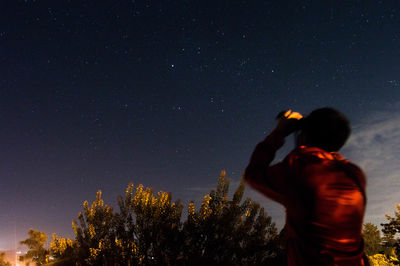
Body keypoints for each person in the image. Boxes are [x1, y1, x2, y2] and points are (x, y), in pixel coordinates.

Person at [244, 108, 368, 266]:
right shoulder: (355, 174)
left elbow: (253, 174)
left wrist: (279, 132)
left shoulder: (299, 166)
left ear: (306, 135)